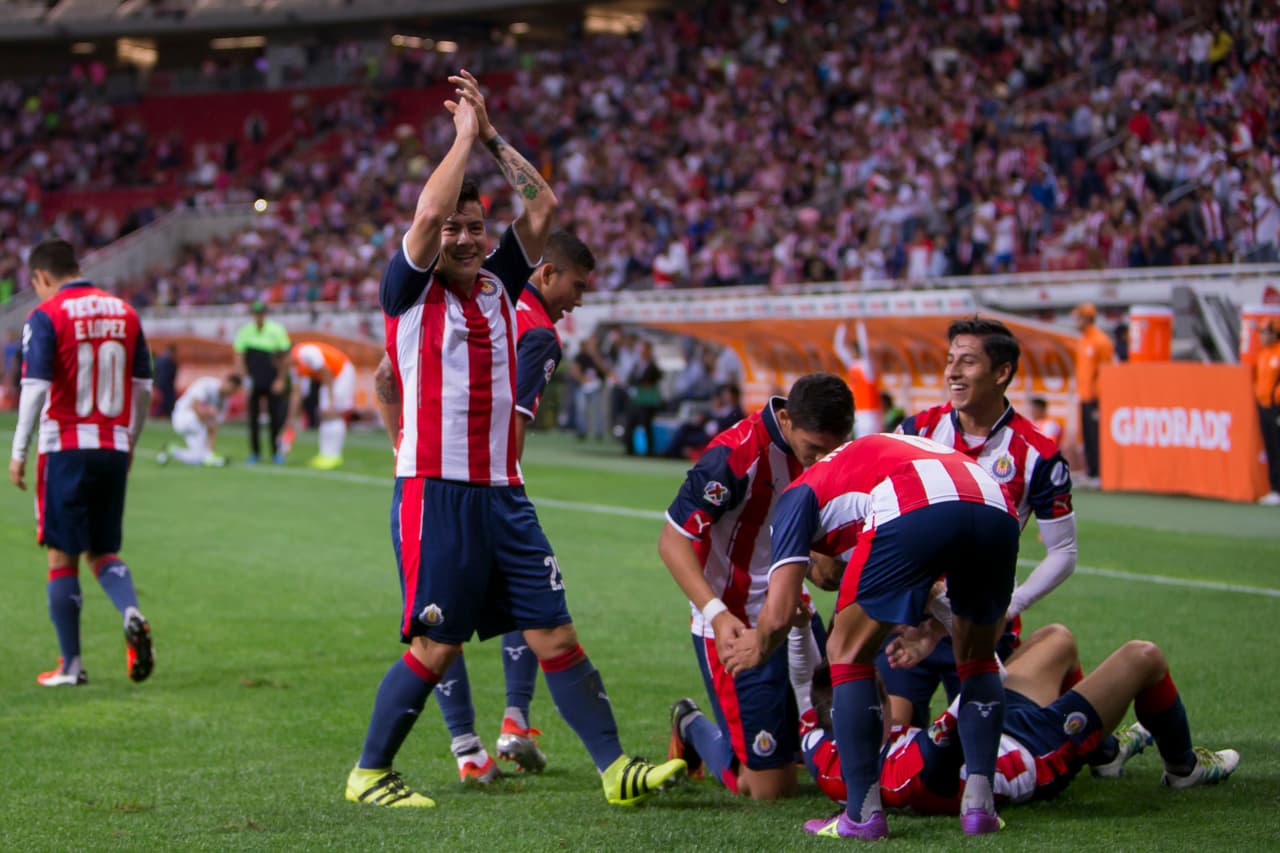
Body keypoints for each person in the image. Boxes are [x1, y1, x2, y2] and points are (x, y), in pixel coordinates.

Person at [346, 69, 685, 809]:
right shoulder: (408, 289)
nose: (465, 237)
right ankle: (370, 771)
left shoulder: (501, 281)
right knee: (436, 646)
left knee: (555, 634)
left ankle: (613, 767)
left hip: (505, 495)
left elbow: (542, 205)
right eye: (455, 229)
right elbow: (431, 211)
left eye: (475, 227)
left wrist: (493, 136)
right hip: (436, 491)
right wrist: (461, 139)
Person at [725, 433, 1020, 839]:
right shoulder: (869, 460)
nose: (822, 576)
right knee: (978, 658)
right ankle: (979, 808)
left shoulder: (797, 496)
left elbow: (776, 614)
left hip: (913, 504)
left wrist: (757, 646)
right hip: (995, 503)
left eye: (811, 565)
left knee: (845, 652)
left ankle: (862, 815)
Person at [428, 228, 596, 783]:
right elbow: (514, 426)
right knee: (525, 602)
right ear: (546, 272)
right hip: (486, 489)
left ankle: (471, 747)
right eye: (577, 284)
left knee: (443, 616)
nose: (580, 298)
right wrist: (505, 493)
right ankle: (514, 723)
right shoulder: (539, 331)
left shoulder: (480, 297)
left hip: (426, 479)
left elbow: (386, 378)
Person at [661, 373, 853, 800]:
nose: (823, 460)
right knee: (769, 787)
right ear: (785, 419)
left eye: (832, 449)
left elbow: (821, 566)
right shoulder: (732, 457)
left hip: (792, 614)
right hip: (736, 623)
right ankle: (690, 726)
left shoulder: (833, 456)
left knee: (827, 750)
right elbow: (673, 540)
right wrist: (716, 613)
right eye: (814, 450)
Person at [804, 623, 1240, 811]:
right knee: (1144, 656)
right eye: (875, 690)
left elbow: (805, 696)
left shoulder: (825, 747)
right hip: (1033, 749)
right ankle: (1183, 767)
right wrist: (939, 628)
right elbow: (986, 670)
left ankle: (1104, 752)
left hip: (992, 725)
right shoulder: (910, 769)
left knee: (1057, 639)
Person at [883, 317, 1076, 729]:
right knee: (889, 739)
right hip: (910, 617)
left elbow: (1064, 552)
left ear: (1002, 372)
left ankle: (1099, 743)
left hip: (983, 623)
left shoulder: (1036, 454)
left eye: (967, 361)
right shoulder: (916, 432)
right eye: (950, 359)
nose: (952, 371)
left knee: (988, 744)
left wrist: (1013, 605)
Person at [7, 239, 155, 687]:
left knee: (61, 553)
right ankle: (130, 610)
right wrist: (129, 442)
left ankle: (71, 665)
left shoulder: (47, 314)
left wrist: (17, 452)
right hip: (112, 445)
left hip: (66, 447)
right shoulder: (125, 312)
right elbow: (144, 387)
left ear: (42, 277)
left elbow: (34, 388)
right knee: (103, 549)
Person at [233, 300, 291, 465]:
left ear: (265, 313)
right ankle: (255, 452)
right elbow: (239, 356)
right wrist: (244, 379)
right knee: (253, 419)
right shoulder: (245, 331)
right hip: (253, 381)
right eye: (256, 313)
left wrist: (281, 379)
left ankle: (276, 452)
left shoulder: (276, 330)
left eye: (261, 313)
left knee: (276, 418)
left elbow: (284, 357)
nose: (259, 316)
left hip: (272, 380)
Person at [289, 340, 355, 470]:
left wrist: (331, 401)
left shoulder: (306, 353)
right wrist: (291, 419)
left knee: (332, 413)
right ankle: (325, 454)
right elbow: (297, 393)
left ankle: (334, 456)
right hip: (330, 379)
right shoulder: (293, 367)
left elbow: (327, 371)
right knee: (323, 413)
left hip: (342, 372)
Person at [157, 373, 242, 467]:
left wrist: (210, 451)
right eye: (231, 387)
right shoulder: (207, 385)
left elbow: (214, 427)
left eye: (234, 390)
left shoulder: (225, 402)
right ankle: (208, 456)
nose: (231, 392)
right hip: (183, 417)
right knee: (208, 418)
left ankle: (171, 450)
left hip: (198, 424)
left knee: (198, 459)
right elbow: (195, 406)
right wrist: (209, 412)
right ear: (225, 381)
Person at [1073, 302, 1114, 485]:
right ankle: (1090, 471)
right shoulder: (1083, 340)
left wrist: (1100, 396)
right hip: (1083, 394)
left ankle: (1098, 473)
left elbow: (1105, 371)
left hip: (1095, 397)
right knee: (1087, 435)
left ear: (1087, 318)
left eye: (1079, 317)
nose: (1076, 321)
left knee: (1095, 435)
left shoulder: (1100, 341)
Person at [833, 320, 884, 436]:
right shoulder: (853, 367)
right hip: (860, 413)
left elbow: (865, 349)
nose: (850, 352)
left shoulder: (866, 368)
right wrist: (843, 327)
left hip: (871, 414)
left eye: (852, 350)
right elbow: (838, 348)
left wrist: (860, 327)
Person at [1254, 320, 1280, 505]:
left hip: (1277, 407)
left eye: (1265, 332)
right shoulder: (1263, 354)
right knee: (1271, 447)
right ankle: (1274, 488)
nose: (1262, 336)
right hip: (1264, 407)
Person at [153, 343, 178, 417]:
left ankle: (159, 414)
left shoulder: (160, 358)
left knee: (162, 401)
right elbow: (167, 374)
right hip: (166, 385)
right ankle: (160, 414)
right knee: (165, 401)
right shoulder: (168, 360)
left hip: (160, 383)